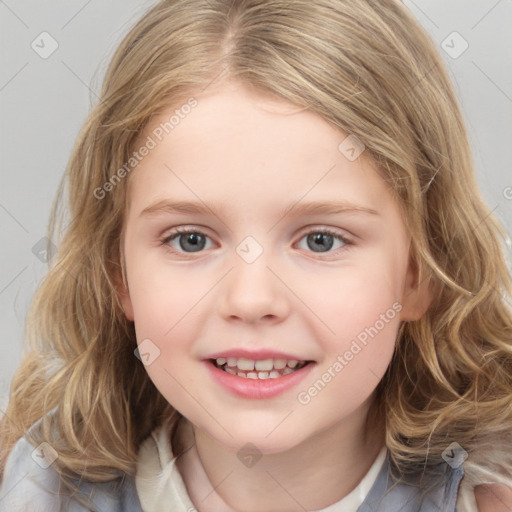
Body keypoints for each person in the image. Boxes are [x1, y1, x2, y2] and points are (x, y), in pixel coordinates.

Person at [1, 0, 511, 510]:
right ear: (118, 273)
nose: (250, 299)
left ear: (419, 273)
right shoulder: (39, 490)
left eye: (320, 240)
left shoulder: (487, 498)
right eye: (191, 240)